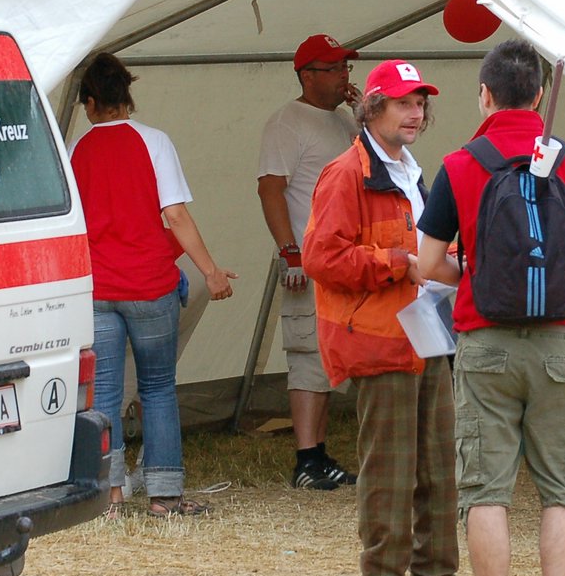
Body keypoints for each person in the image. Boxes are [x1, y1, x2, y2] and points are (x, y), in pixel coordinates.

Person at [416, 39, 565, 576]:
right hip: (563, 345)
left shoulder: (460, 165)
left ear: (484, 95)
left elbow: (428, 265)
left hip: (486, 345)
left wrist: (477, 273)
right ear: (538, 95)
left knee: (487, 488)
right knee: (563, 486)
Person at [302, 59, 484, 576]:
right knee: (391, 469)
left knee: (438, 467)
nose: (416, 112)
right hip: (380, 338)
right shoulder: (346, 174)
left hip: (425, 333)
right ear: (373, 107)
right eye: (405, 102)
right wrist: (395, 263)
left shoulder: (409, 169)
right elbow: (321, 257)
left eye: (421, 103)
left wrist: (445, 264)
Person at [69, 53, 238, 519]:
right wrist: (211, 271)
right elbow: (176, 216)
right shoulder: (154, 142)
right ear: (126, 96)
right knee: (158, 387)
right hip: (150, 285)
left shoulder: (76, 151)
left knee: (102, 393)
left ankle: (111, 497)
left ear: (89, 102)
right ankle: (165, 497)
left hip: (98, 289)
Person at [257, 33, 362, 490]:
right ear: (307, 75)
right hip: (308, 261)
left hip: (345, 262)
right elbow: (270, 188)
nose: (345, 76)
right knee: (306, 355)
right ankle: (305, 458)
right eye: (336, 68)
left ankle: (319, 453)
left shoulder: (345, 122)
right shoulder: (287, 123)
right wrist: (289, 251)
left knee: (330, 358)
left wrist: (367, 115)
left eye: (346, 68)